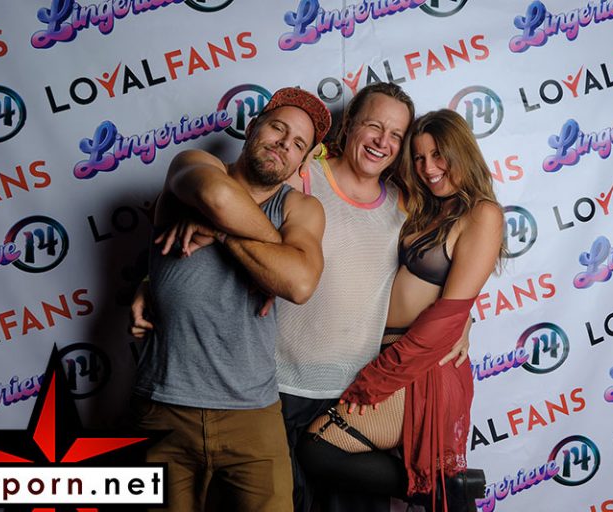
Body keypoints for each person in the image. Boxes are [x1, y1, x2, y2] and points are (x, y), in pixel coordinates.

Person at [130, 84, 473, 511]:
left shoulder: (406, 203)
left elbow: (443, 262)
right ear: (350, 126)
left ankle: (443, 487)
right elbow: (226, 204)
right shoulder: (301, 175)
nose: (382, 141)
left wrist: (463, 317)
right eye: (373, 126)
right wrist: (156, 280)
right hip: (275, 385)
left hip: (351, 390)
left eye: (396, 135)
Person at [130, 87, 331, 512]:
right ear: (253, 126)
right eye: (277, 128)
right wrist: (273, 254)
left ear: (302, 162)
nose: (284, 144)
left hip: (252, 414)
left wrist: (222, 233)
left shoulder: (302, 209)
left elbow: (298, 284)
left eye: (298, 144)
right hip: (165, 407)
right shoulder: (194, 164)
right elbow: (219, 198)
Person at [297, 109, 504, 512]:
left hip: (420, 365)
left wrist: (376, 379)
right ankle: (444, 490)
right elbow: (355, 164)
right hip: (391, 354)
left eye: (438, 155)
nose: (429, 168)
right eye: (420, 157)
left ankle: (445, 490)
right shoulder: (424, 205)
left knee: (319, 448)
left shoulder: (482, 213)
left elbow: (448, 313)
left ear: (461, 152)